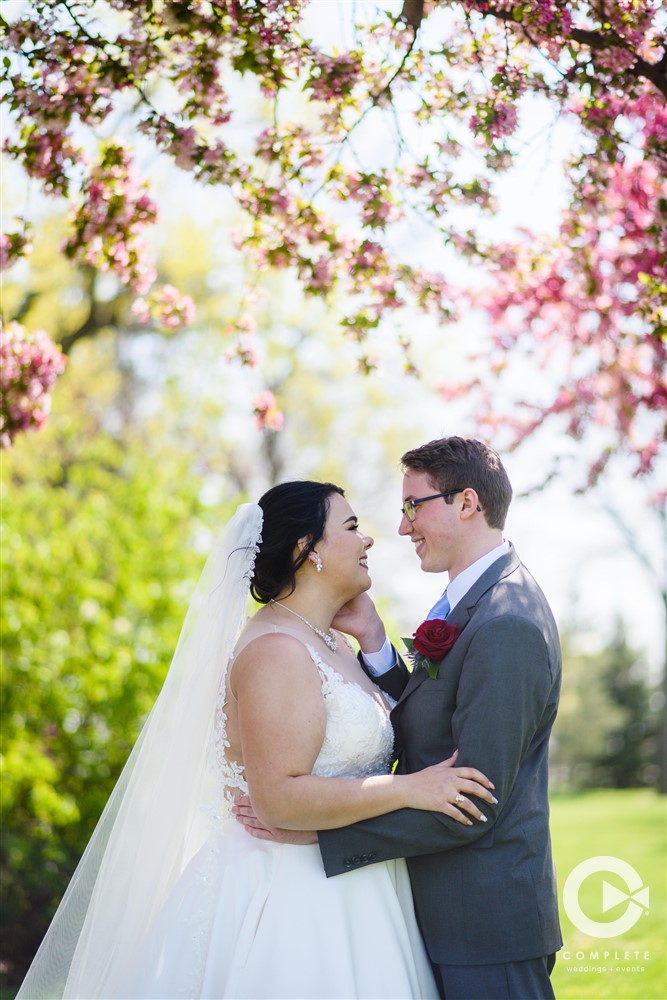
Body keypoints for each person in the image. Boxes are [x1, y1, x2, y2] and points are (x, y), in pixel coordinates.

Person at [17, 480, 496, 1000]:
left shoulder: (331, 639)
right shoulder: (275, 652)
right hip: (292, 900)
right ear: (305, 549)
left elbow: (393, 735)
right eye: (352, 527)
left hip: (358, 883)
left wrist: (375, 640)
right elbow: (279, 798)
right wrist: (408, 789)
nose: (370, 541)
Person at [239, 440, 562, 1000]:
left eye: (414, 506)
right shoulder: (470, 602)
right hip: (428, 916)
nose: (401, 527)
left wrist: (317, 835)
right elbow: (431, 728)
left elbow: (471, 803)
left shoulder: (506, 619)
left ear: (465, 503)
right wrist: (377, 648)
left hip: (484, 928)